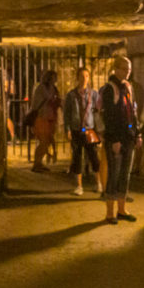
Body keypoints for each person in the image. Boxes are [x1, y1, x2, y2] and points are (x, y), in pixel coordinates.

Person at [100, 56, 142, 223]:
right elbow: (109, 116)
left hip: (129, 137)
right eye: (124, 68)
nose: (127, 72)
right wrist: (115, 139)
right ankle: (110, 212)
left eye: (129, 69)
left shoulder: (128, 88)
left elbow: (133, 112)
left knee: (125, 174)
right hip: (115, 139)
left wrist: (137, 133)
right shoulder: (109, 89)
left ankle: (122, 209)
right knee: (114, 174)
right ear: (116, 69)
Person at [63, 67, 103, 196]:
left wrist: (99, 131)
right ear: (77, 78)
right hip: (76, 130)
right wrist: (67, 129)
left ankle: (99, 183)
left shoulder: (94, 94)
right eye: (81, 76)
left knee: (94, 157)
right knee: (77, 158)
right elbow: (67, 114)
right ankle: (79, 186)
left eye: (86, 76)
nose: (84, 78)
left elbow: (98, 112)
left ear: (89, 78)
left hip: (89, 129)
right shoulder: (71, 95)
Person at [29, 70, 60, 172]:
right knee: (43, 141)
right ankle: (36, 164)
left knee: (47, 141)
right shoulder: (41, 88)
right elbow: (42, 101)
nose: (55, 79)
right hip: (41, 117)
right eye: (53, 77)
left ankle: (39, 162)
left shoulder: (54, 88)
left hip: (51, 118)